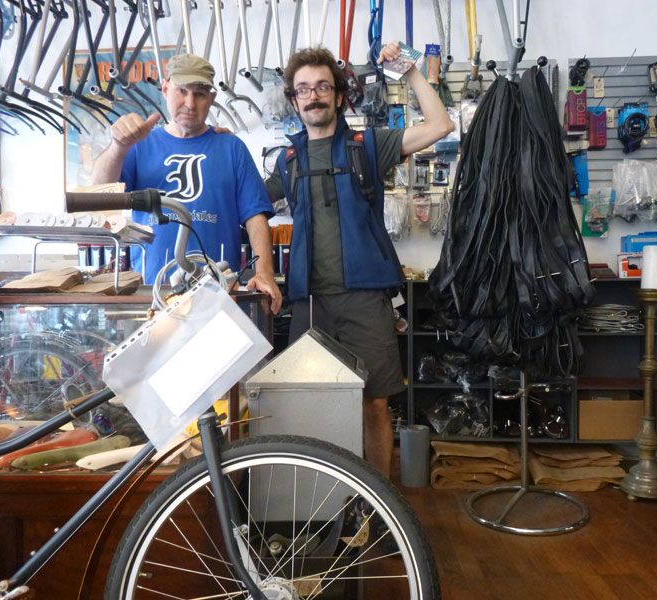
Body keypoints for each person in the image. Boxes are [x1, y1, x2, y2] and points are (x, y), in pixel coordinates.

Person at [265, 43, 454, 477]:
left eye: (323, 87)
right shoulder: (287, 161)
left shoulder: (367, 145)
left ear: (338, 96)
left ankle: (378, 502)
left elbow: (441, 125)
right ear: (294, 100)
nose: (313, 96)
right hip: (309, 303)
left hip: (365, 300)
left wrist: (410, 71)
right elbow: (247, 203)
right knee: (308, 406)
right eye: (303, 89)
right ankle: (321, 499)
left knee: (375, 403)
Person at [91, 53, 282, 313]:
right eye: (182, 91)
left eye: (200, 94)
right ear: (165, 88)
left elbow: (255, 216)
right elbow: (99, 191)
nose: (190, 103)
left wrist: (265, 273)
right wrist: (118, 146)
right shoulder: (140, 145)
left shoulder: (232, 148)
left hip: (218, 293)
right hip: (152, 293)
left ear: (212, 99)